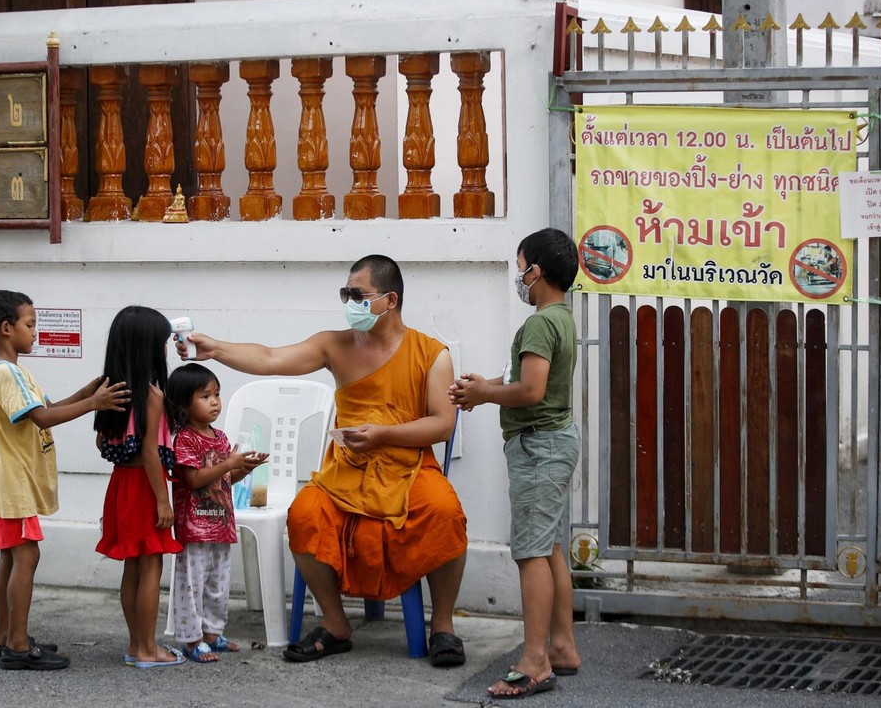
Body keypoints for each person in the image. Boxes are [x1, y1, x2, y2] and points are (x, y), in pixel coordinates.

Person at [178, 255, 469, 667]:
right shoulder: (335, 345)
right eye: (345, 293)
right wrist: (216, 349)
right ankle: (335, 624)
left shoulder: (431, 354)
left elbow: (441, 425)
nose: (349, 302)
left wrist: (384, 435)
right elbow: (269, 357)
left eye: (358, 295)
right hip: (347, 469)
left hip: (408, 467)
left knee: (445, 511)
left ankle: (442, 626)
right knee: (305, 514)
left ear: (390, 300)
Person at [448, 228, 582, 699]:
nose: (518, 277)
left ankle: (534, 661)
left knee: (529, 551)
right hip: (552, 442)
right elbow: (522, 376)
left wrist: (484, 394)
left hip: (537, 446)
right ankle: (562, 648)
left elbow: (531, 391)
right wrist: (485, 384)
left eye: (521, 266)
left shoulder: (540, 324)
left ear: (536, 272)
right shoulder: (562, 317)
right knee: (547, 548)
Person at [0, 289, 130, 671]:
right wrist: (95, 404)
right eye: (30, 325)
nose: (36, 332)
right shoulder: (7, 374)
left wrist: (87, 392)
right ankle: (17, 644)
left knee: (11, 559)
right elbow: (43, 420)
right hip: (16, 483)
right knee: (26, 556)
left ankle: (3, 637)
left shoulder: (10, 371)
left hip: (9, 482)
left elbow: (46, 409)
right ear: (6, 328)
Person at [94, 305, 186, 669]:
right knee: (151, 568)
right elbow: (151, 453)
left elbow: (103, 444)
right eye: (162, 342)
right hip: (146, 488)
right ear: (147, 346)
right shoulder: (152, 396)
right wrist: (163, 501)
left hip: (120, 486)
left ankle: (136, 645)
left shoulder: (111, 391)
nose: (165, 349)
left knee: (132, 567)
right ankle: (148, 648)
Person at [164, 363, 268, 662]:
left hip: (220, 523)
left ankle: (212, 633)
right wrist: (229, 464)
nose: (215, 402)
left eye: (217, 394)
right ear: (184, 404)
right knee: (191, 585)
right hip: (195, 527)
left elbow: (222, 480)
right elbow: (194, 479)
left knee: (218, 585)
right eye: (205, 396)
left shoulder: (220, 438)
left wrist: (242, 470)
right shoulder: (184, 438)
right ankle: (192, 639)